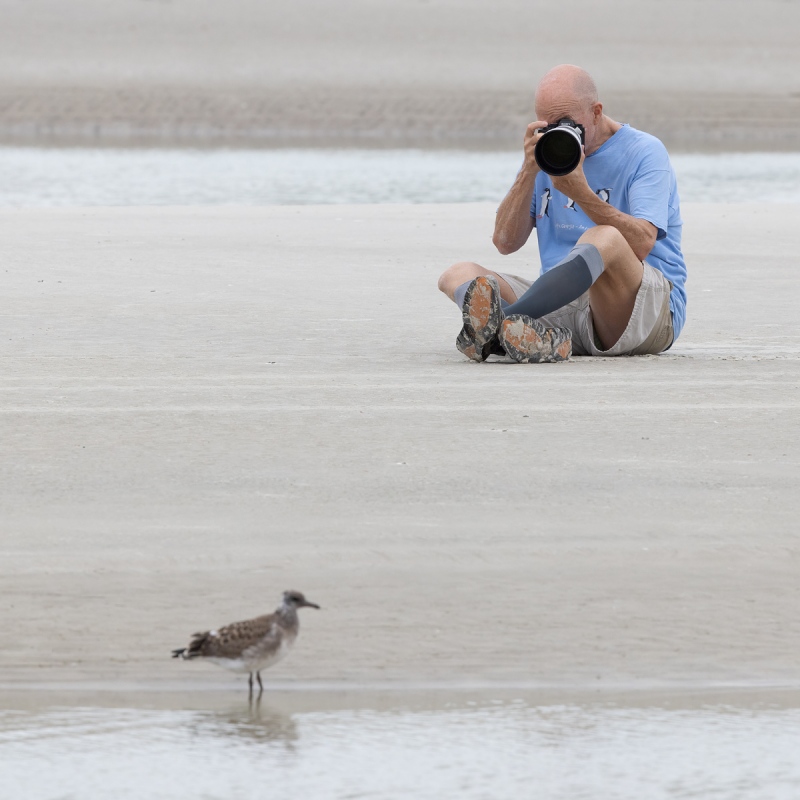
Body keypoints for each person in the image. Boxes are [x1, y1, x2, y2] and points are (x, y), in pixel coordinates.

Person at [437, 64, 687, 363]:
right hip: (559, 307)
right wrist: (529, 170)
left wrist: (580, 193)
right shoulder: (548, 154)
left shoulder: (644, 152)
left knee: (604, 237)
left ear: (596, 111)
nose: (557, 132)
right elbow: (505, 242)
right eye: (548, 123)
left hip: (640, 313)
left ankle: (496, 329)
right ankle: (534, 338)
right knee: (458, 273)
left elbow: (643, 242)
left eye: (566, 122)